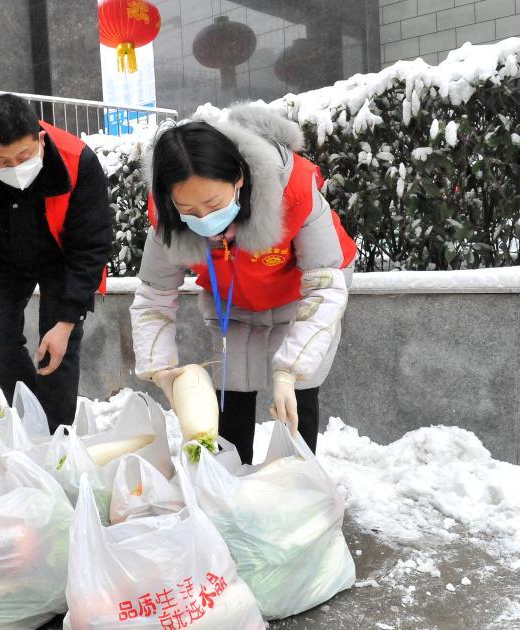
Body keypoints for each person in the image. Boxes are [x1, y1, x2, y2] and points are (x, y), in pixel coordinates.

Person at [131, 104, 357, 464]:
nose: (204, 218)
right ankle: (231, 482)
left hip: (300, 293)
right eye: (189, 210)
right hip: (234, 302)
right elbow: (153, 296)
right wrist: (160, 370)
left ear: (239, 177)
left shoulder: (293, 191)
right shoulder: (166, 219)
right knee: (231, 385)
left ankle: (297, 480)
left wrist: (289, 371)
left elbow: (324, 286)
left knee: (295, 392)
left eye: (212, 202)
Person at [0, 93, 112, 429]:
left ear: (40, 139)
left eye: (25, 156)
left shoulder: (77, 160)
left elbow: (91, 244)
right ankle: (34, 421)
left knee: (58, 347)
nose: (15, 167)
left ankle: (56, 433)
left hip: (60, 254)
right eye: (2, 161)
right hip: (0, 256)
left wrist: (67, 321)